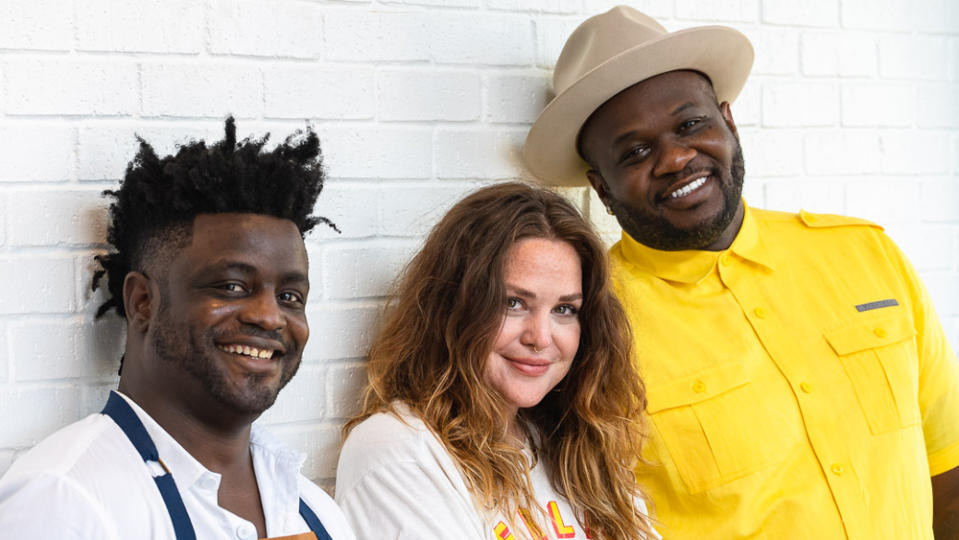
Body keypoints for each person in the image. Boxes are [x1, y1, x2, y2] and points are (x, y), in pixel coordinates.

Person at [523, 5, 959, 539]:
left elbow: (947, 463)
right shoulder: (586, 325)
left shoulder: (867, 255)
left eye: (690, 124)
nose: (676, 158)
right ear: (603, 189)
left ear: (728, 121)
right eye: (635, 151)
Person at [0, 118, 356, 540]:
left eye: (290, 297)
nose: (270, 316)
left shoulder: (311, 508)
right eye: (232, 286)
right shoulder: (67, 502)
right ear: (142, 302)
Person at [334, 182, 657, 539]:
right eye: (513, 303)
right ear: (454, 307)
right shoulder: (398, 449)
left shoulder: (572, 446)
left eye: (564, 309)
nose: (541, 337)